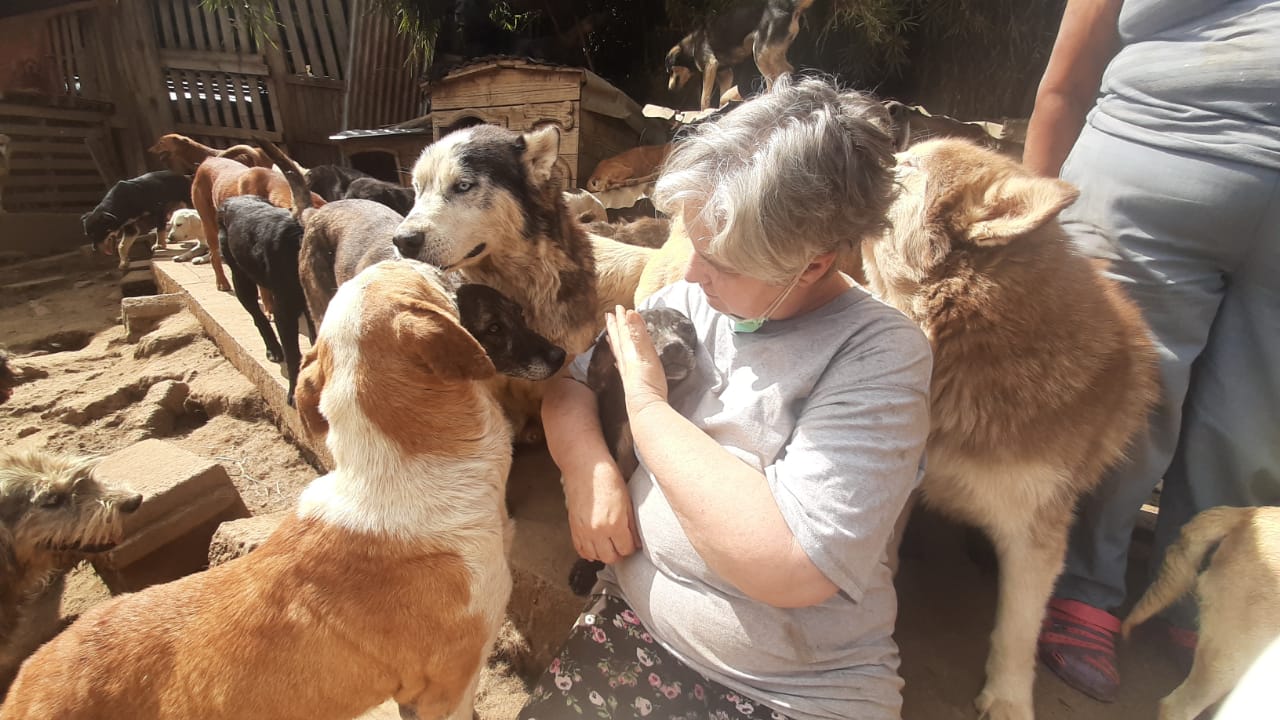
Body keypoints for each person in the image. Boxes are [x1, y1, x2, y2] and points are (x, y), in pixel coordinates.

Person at [520, 76, 933, 720]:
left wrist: (648, 409)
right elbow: (574, 383)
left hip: (786, 690)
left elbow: (789, 565)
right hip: (636, 628)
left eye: (723, 262)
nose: (691, 273)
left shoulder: (880, 355)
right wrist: (587, 471)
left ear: (813, 264)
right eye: (694, 245)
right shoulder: (692, 299)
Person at [1024, 0, 1280, 703]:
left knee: (1256, 424)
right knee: (1126, 395)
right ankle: (1080, 582)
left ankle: (1206, 592)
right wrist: (1030, 223)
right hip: (1157, 154)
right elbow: (1067, 78)